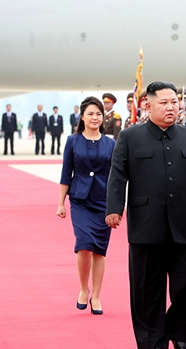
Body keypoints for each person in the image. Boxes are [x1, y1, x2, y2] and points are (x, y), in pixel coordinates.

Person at [105, 81, 186, 349]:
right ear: (148, 105)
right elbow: (118, 174)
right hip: (147, 223)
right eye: (164, 102)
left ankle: (178, 332)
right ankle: (152, 340)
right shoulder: (130, 137)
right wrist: (114, 207)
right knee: (147, 287)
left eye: (174, 102)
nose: (171, 107)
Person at [56, 97, 115, 315]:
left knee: (99, 250)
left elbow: (115, 176)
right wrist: (60, 203)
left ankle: (97, 296)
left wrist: (117, 206)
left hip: (103, 202)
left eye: (98, 114)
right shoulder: (73, 141)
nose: (94, 117)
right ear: (82, 116)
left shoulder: (111, 144)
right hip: (80, 201)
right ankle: (83, 289)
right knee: (84, 244)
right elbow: (66, 173)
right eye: (90, 113)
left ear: (103, 117)